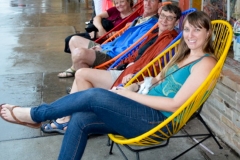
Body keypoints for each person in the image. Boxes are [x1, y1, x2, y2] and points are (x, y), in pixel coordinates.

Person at [0, 11, 217, 160]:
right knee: (81, 119)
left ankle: (36, 114)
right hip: (142, 111)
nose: (190, 35)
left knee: (94, 96)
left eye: (197, 30)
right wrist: (135, 86)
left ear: (208, 33)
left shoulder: (206, 62)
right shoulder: (182, 55)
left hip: (158, 121)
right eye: (187, 30)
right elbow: (155, 80)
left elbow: (175, 104)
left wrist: (129, 96)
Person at [43, 4, 182, 134]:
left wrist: (133, 73)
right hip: (126, 69)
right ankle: (75, 120)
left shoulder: (169, 40)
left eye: (170, 18)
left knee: (81, 75)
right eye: (163, 16)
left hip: (133, 78)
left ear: (176, 22)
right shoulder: (154, 34)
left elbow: (155, 66)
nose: (164, 20)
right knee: (81, 78)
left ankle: (74, 120)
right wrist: (123, 62)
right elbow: (135, 53)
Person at [58, 0, 162, 78]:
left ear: (159, 5)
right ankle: (83, 76)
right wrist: (102, 46)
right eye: (146, 0)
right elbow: (120, 39)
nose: (147, 3)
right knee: (73, 40)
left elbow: (131, 48)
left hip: (115, 57)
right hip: (108, 48)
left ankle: (83, 81)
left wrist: (104, 49)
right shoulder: (138, 19)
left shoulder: (150, 26)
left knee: (78, 54)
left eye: (152, 1)